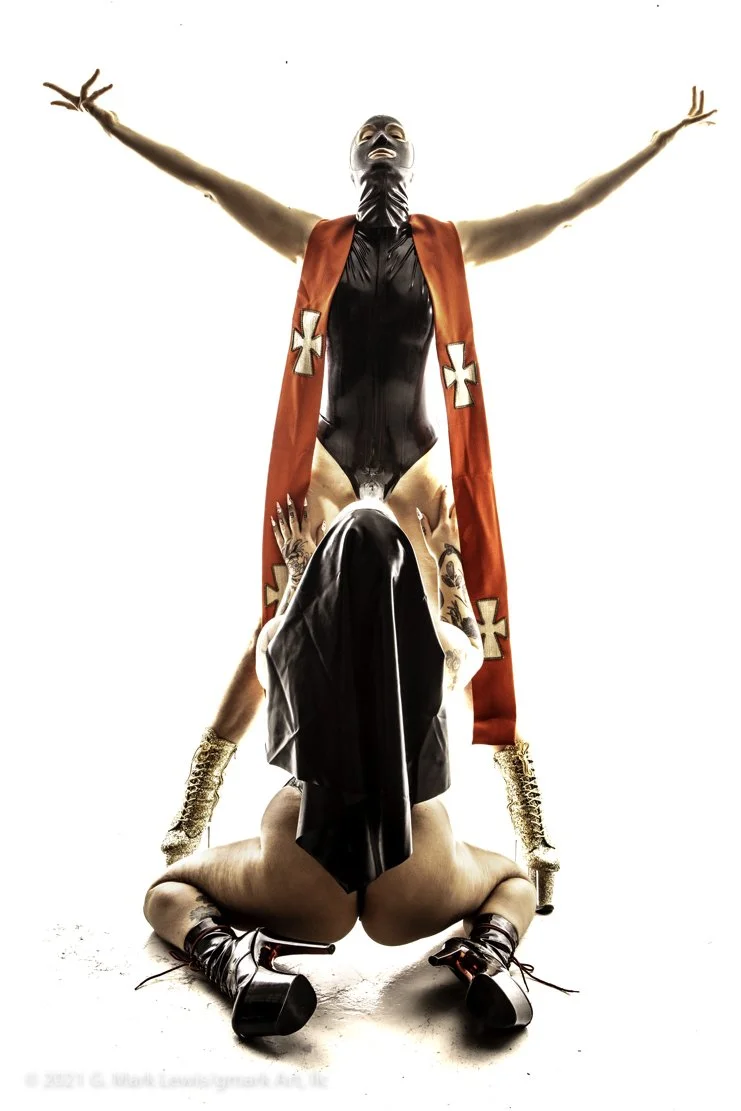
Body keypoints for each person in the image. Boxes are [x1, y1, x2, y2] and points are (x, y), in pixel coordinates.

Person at [44, 73, 716, 908]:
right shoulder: (314, 238)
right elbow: (212, 185)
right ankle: (195, 807)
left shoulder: (451, 244)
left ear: (411, 160)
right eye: (367, 135)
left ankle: (531, 824)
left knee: (465, 612)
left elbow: (564, 210)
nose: (380, 140)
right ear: (352, 162)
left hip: (415, 457)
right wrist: (115, 128)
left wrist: (655, 144)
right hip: (328, 454)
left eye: (392, 133)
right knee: (284, 611)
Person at [139, 492, 574, 1038]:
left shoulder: (278, 643)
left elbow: (289, 629)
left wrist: (300, 562)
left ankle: (235, 965)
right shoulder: (443, 648)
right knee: (515, 883)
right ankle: (486, 955)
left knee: (167, 894)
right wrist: (446, 555)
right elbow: (471, 636)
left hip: (305, 860)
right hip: (414, 863)